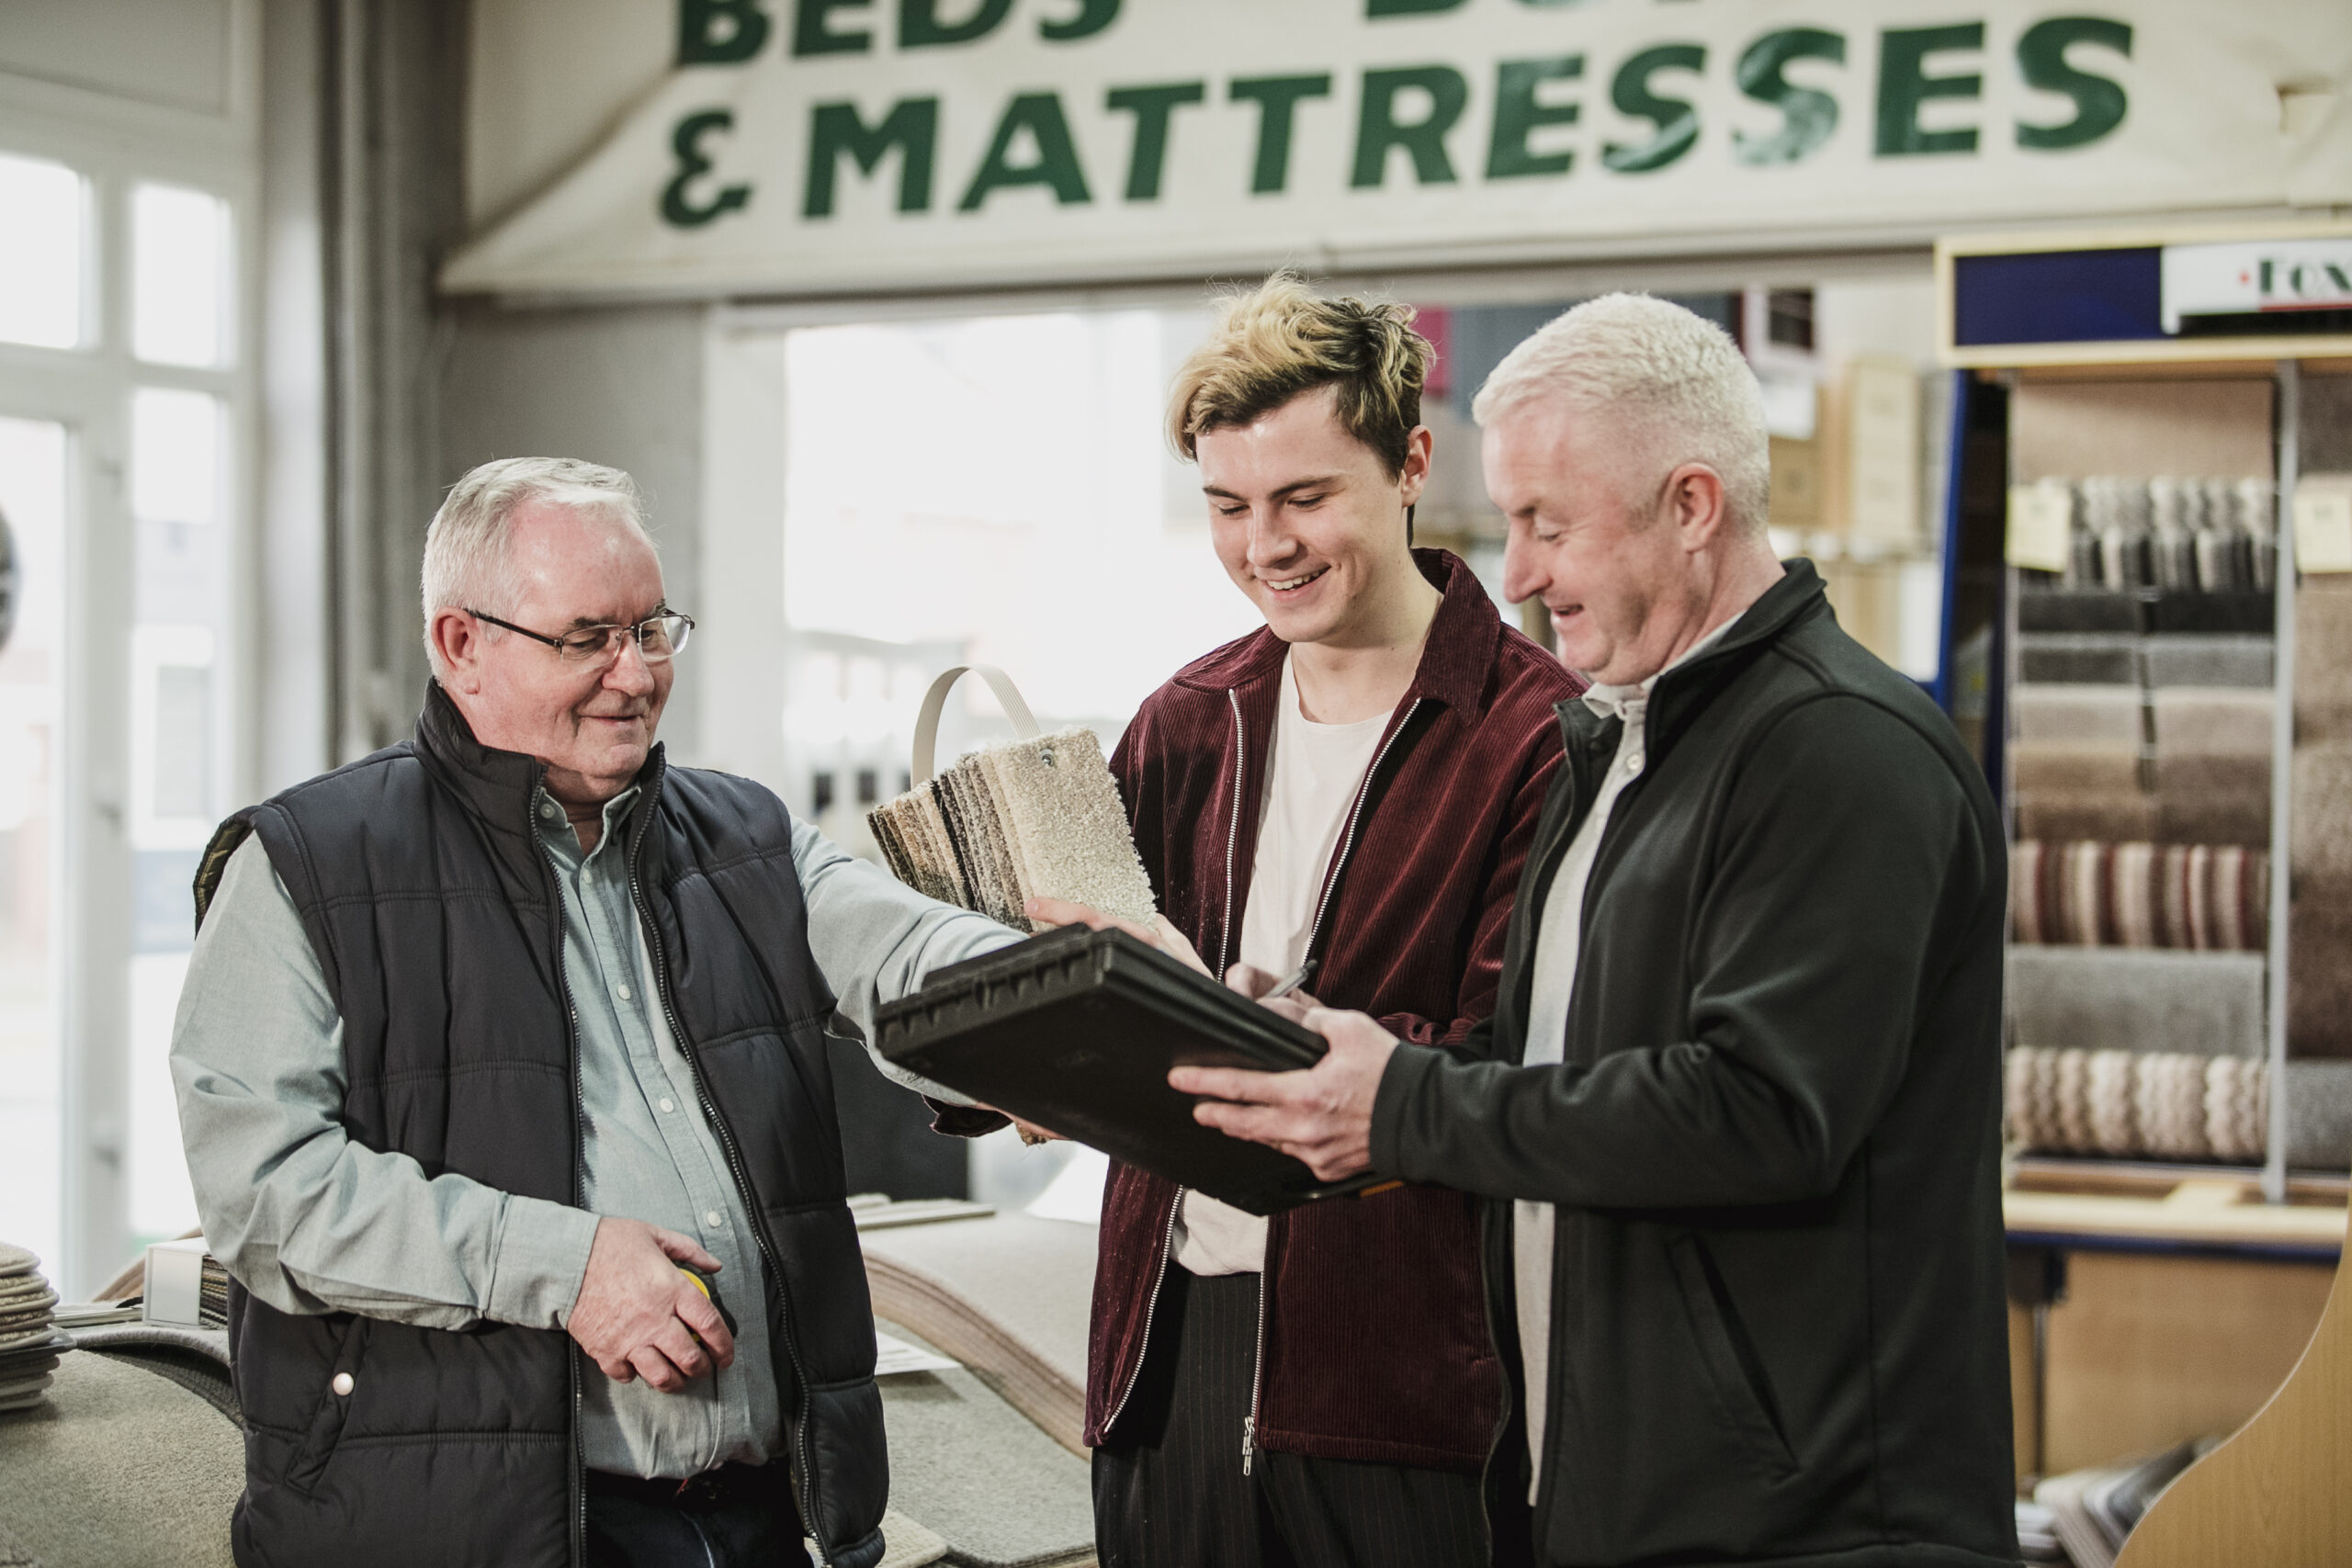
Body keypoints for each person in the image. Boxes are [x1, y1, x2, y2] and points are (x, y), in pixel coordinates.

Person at [1169, 295, 2018, 1568]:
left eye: (1547, 525)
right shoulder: (1613, 752)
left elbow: (1762, 1112)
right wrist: (1326, 1061)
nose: (1514, 573)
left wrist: (1403, 1106)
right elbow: (1549, 1080)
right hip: (1609, 1496)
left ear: (1692, 504)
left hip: (1814, 1525)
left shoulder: (1843, 752)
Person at [172, 458, 1022, 1568]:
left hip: (770, 1518)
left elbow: (914, 951)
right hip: (469, 1533)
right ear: (459, 645)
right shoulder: (307, 866)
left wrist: (1069, 1003)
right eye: (587, 638)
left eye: (653, 628)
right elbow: (265, 1191)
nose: (634, 673)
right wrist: (562, 1266)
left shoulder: (747, 841)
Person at [1021, 274, 1583, 1568]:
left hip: (1401, 1386)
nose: (1262, 544)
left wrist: (1205, 1009)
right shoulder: (1185, 719)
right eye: (1228, 506)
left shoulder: (1536, 736)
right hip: (1167, 1361)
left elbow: (1501, 1061)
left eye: (1304, 498)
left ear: (1411, 465)